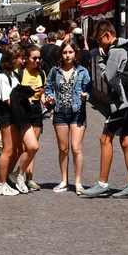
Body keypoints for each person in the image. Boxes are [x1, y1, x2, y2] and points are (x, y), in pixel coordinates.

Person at [80, 20, 128, 199]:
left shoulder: (114, 51)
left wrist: (100, 60)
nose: (99, 45)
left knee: (105, 139)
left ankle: (102, 184)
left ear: (108, 35)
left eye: (100, 40)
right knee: (126, 141)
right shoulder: (127, 47)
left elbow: (107, 76)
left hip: (120, 104)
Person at [44, 39, 90, 194]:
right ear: (61, 54)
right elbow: (48, 86)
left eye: (70, 52)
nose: (67, 55)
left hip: (77, 112)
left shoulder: (82, 71)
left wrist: (85, 95)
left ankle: (78, 182)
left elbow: (88, 88)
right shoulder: (55, 71)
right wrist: (50, 97)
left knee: (76, 148)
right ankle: (64, 180)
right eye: (65, 52)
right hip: (60, 113)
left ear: (75, 54)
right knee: (63, 149)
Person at [0, 45, 39, 196]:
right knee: (8, 150)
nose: (23, 60)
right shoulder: (2, 77)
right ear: (13, 59)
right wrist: (26, 94)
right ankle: (0, 184)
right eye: (21, 58)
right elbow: (9, 101)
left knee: (32, 146)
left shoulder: (14, 75)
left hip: (18, 115)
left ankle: (15, 175)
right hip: (7, 116)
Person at [17, 45, 46, 191]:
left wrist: (46, 101)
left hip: (36, 109)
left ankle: (29, 179)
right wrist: (24, 98)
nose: (37, 60)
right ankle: (19, 176)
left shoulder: (41, 73)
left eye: (39, 58)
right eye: (34, 58)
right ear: (27, 58)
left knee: (33, 148)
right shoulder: (20, 72)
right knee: (25, 147)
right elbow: (15, 92)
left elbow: (42, 93)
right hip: (23, 109)